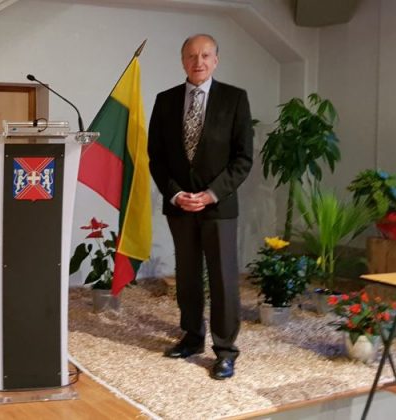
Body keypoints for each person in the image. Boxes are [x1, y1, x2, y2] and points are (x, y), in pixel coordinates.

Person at [147, 34, 253, 380]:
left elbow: (243, 159)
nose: (199, 62)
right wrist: (176, 194)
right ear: (182, 61)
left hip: (218, 206)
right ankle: (192, 337)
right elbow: (156, 157)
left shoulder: (235, 99)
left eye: (206, 55)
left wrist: (211, 194)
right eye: (192, 56)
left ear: (216, 60)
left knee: (223, 280)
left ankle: (225, 350)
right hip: (180, 206)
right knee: (188, 277)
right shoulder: (165, 101)